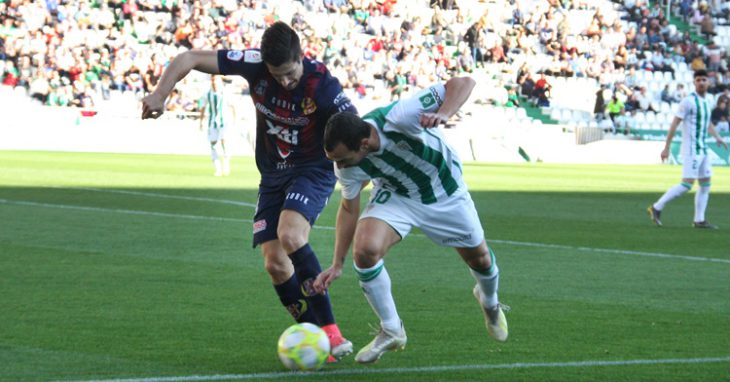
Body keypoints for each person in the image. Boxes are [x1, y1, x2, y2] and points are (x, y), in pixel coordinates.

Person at [141, 21, 356, 361]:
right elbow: (189, 58)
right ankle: (314, 335)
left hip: (311, 170)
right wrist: (159, 93)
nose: (284, 81)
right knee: (275, 265)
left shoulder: (322, 85)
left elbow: (353, 127)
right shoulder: (254, 64)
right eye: (276, 74)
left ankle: (332, 333)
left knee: (291, 235)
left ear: (302, 56)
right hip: (272, 174)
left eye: (289, 73)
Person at [312, 76, 508, 364]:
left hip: (444, 191)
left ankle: (489, 302)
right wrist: (338, 262)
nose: (338, 166)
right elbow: (349, 208)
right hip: (397, 194)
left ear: (364, 144)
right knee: (365, 250)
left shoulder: (400, 116)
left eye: (343, 159)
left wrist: (444, 113)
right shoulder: (346, 165)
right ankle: (392, 329)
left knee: (479, 259)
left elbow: (464, 82)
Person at [648, 70, 729, 229]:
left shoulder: (707, 102)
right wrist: (666, 148)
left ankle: (699, 220)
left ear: (708, 82)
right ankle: (657, 207)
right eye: (698, 80)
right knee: (687, 184)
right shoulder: (688, 101)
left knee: (706, 184)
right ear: (694, 83)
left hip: (703, 149)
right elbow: (674, 124)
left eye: (704, 79)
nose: (701, 82)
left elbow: (707, 124)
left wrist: (717, 137)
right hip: (691, 149)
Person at [199, 75, 232, 176]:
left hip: (224, 121)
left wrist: (234, 120)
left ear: (220, 81)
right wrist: (201, 121)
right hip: (212, 122)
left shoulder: (225, 92)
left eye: (216, 80)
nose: (214, 82)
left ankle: (226, 164)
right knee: (213, 144)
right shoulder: (207, 93)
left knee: (224, 142)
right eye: (213, 80)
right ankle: (217, 168)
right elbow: (203, 107)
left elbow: (233, 105)